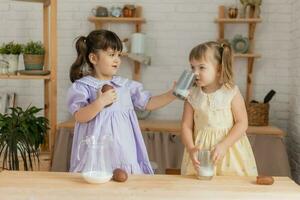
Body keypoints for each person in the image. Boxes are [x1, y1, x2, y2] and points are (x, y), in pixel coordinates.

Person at [67, 30, 176, 174]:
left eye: (119, 55)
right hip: (97, 154)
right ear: (93, 58)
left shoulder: (125, 85)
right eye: (111, 55)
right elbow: (80, 116)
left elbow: (148, 103)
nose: (117, 59)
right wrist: (100, 102)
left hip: (124, 153)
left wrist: (173, 94)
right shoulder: (83, 87)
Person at [181, 41, 257, 176]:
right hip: (201, 154)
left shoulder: (231, 92)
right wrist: (191, 148)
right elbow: (186, 126)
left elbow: (242, 123)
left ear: (219, 70)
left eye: (201, 67)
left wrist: (224, 145)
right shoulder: (192, 94)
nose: (195, 73)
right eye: (192, 67)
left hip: (229, 151)